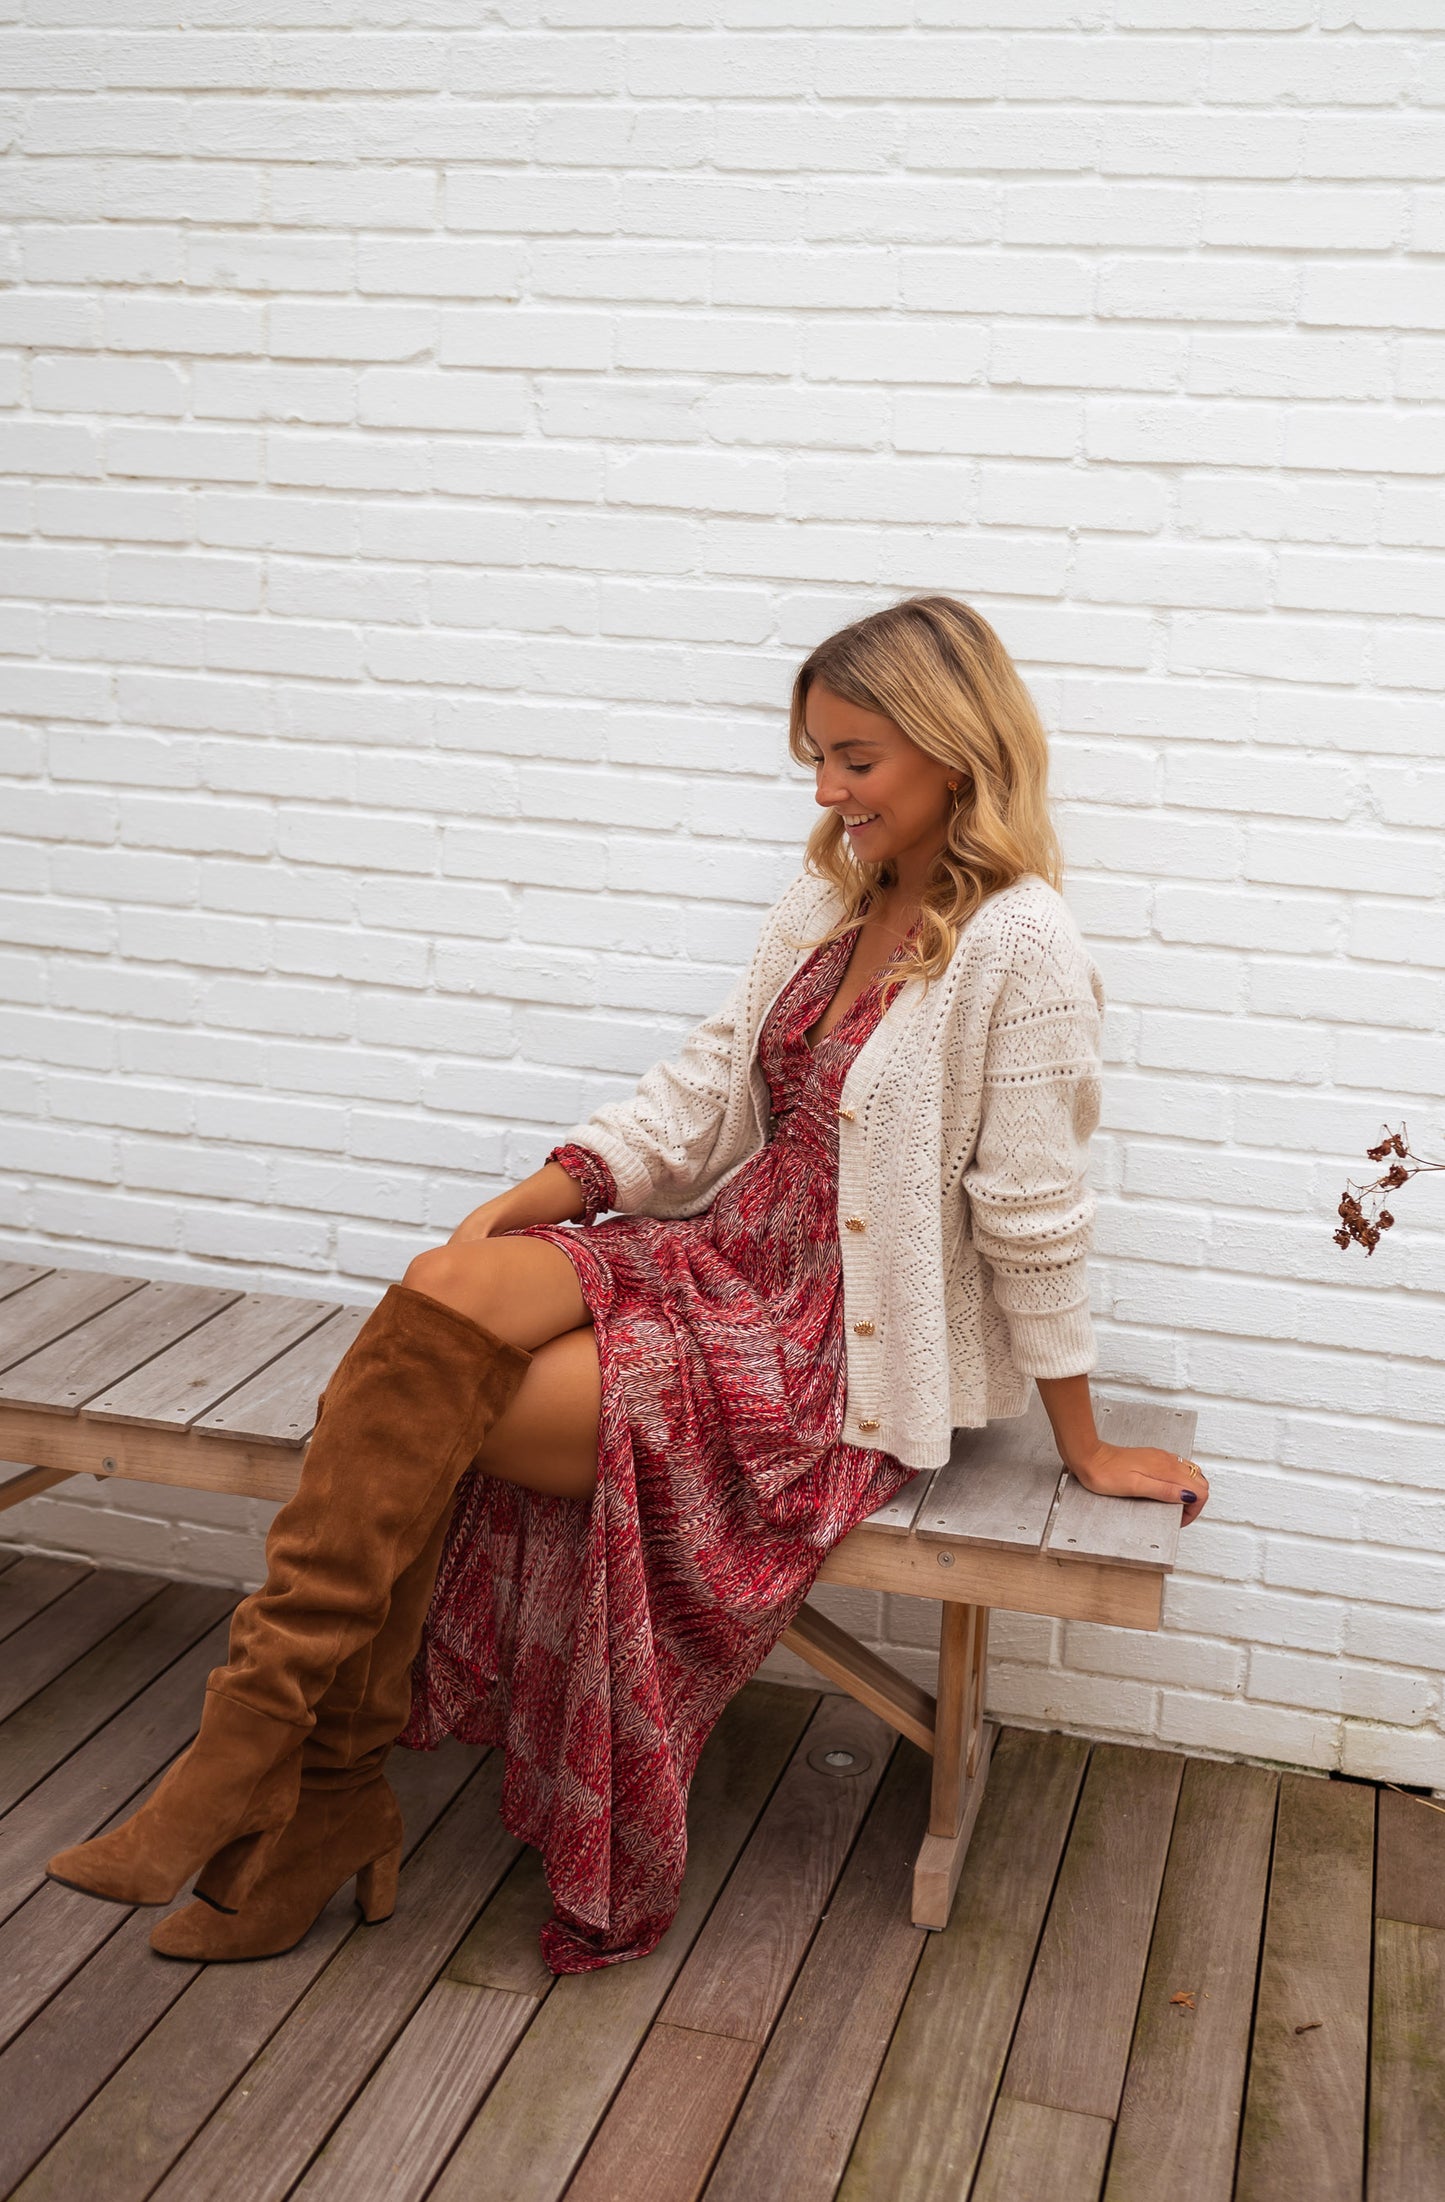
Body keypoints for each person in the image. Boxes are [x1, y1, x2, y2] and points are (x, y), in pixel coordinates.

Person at [48, 593, 1210, 1973]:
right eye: (817, 759)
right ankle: (269, 1763)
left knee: (437, 1404)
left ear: (954, 747)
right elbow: (713, 1087)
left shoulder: (1022, 945)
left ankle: (290, 1779)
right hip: (727, 1262)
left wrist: (1081, 1441)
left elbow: (1030, 1210)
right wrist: (534, 1197)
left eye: (855, 758)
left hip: (830, 1347)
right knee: (442, 1294)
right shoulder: (832, 890)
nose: (830, 791)